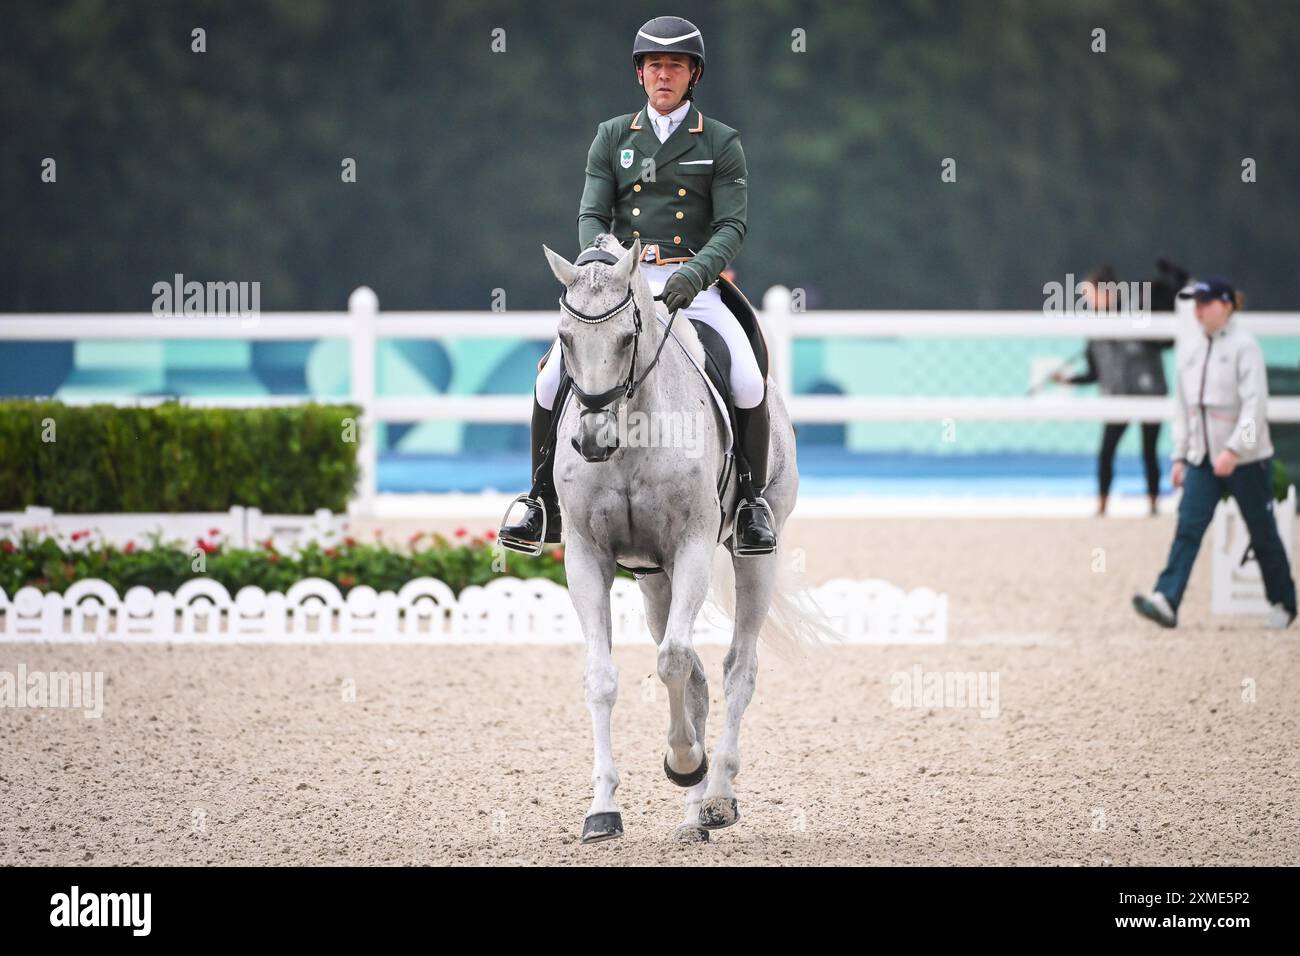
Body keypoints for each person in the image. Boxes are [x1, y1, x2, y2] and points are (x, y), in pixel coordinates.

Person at [499, 15, 775, 555]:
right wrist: (604, 263)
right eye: (654, 66)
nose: (663, 75)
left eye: (674, 66)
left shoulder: (720, 142)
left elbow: (732, 226)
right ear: (640, 74)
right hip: (622, 279)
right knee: (551, 376)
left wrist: (695, 275)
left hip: (691, 280)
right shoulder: (612, 137)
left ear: (693, 75)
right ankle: (539, 503)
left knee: (745, 375)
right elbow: (591, 215)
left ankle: (749, 502)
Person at [1132, 276, 1296, 629]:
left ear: (1226, 306)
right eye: (1196, 303)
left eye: (1205, 303)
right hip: (1203, 459)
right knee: (1188, 527)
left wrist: (1236, 449)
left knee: (1261, 530)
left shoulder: (1245, 347)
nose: (1198, 310)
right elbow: (1184, 408)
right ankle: (1167, 599)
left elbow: (1255, 406)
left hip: (1247, 462)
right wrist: (1180, 455)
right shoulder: (1191, 349)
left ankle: (1283, 600)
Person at [1052, 264, 1177, 516]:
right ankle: (1102, 505)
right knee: (1106, 452)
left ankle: (1153, 504)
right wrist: (1068, 380)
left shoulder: (1137, 313)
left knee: (1149, 452)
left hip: (1149, 392)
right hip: (1117, 398)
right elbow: (1095, 373)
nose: (1087, 300)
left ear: (1107, 292)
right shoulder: (1096, 330)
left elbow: (1166, 342)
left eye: (1090, 294)